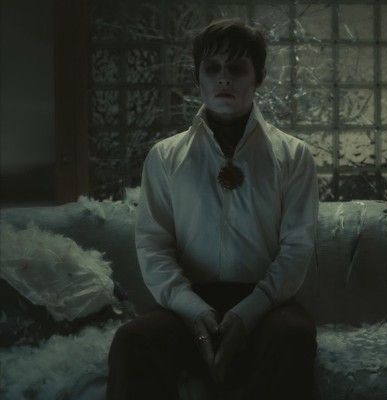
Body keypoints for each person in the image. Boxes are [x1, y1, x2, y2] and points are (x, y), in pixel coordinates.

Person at [107, 19, 319, 400]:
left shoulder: (293, 156)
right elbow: (153, 246)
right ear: (197, 78)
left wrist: (247, 314)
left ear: (258, 77)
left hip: (265, 306)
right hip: (187, 305)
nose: (224, 78)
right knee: (132, 341)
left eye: (237, 68)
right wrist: (194, 312)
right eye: (212, 68)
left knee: (294, 336)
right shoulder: (165, 157)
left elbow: (297, 250)